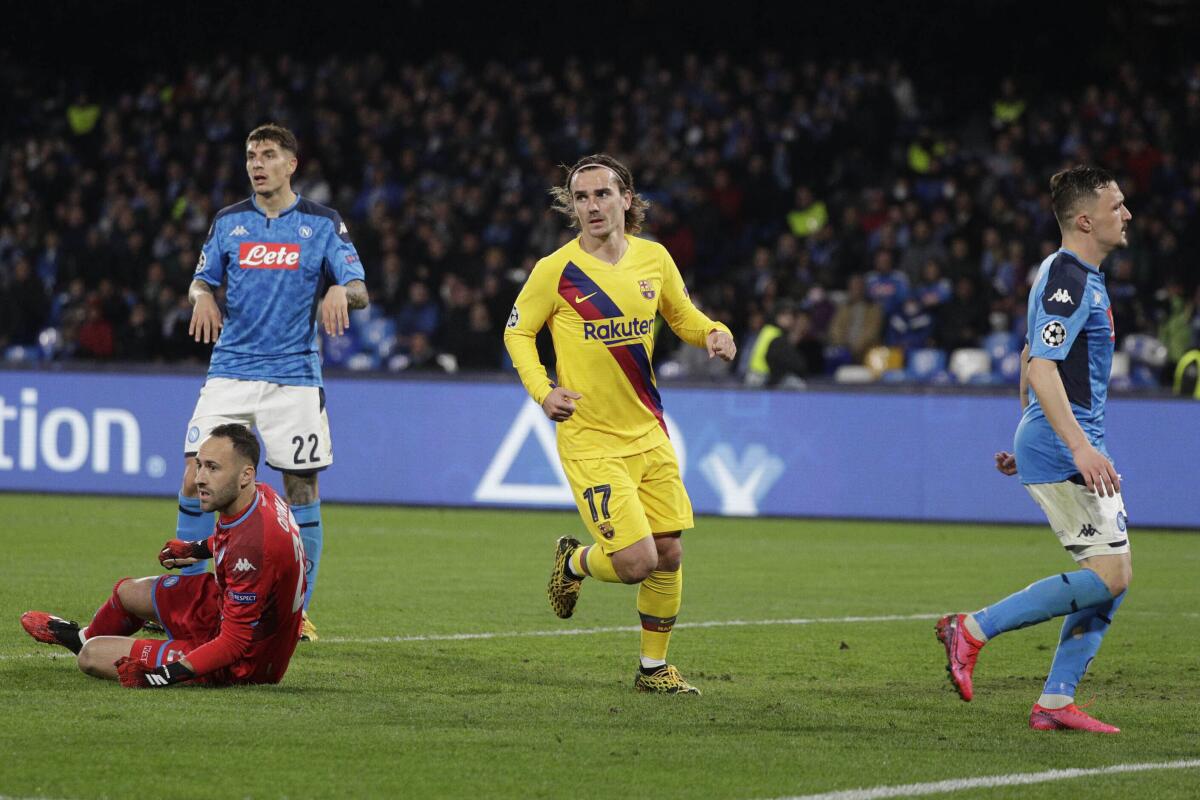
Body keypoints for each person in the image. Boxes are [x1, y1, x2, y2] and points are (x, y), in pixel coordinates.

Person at [503, 154, 736, 694]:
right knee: (635, 562)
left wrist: (714, 332)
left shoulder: (654, 259)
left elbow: (682, 316)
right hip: (590, 437)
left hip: (648, 430)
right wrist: (543, 391)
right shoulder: (555, 270)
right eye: (580, 198)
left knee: (670, 552)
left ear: (626, 199)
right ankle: (576, 560)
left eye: (602, 195)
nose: (592, 207)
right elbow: (517, 333)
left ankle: (653, 669)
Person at [936, 166, 1133, 733]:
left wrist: (1035, 438)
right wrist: (1069, 445)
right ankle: (972, 630)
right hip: (1070, 444)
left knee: (1113, 574)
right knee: (1111, 574)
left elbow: (1031, 354)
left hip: (1061, 440)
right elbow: (1041, 364)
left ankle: (1055, 700)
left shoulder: (1078, 275)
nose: (1126, 214)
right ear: (1084, 219)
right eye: (1116, 205)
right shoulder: (1068, 275)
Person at [182, 124, 368, 641]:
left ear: (292, 163)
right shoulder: (230, 222)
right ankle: (192, 602)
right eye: (250, 156)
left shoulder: (322, 224)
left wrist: (339, 293)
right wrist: (200, 294)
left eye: (267, 155)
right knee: (196, 477)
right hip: (231, 370)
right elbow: (202, 276)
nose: (256, 164)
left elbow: (359, 288)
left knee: (301, 487)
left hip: (293, 379)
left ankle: (293, 610)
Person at [20, 424, 306, 688]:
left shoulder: (252, 548)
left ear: (246, 475)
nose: (199, 479)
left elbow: (233, 643)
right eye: (199, 465)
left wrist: (163, 675)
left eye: (213, 468)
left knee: (92, 657)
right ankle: (79, 637)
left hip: (247, 659)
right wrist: (197, 549)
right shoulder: (262, 496)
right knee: (127, 592)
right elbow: (236, 540)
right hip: (222, 604)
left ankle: (95, 645)